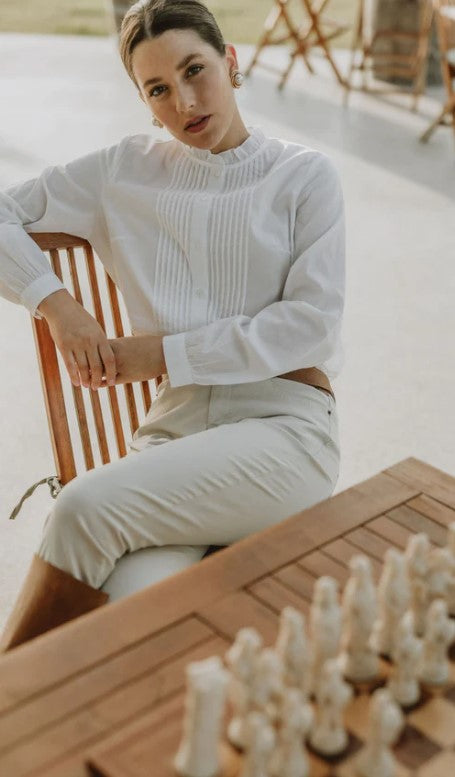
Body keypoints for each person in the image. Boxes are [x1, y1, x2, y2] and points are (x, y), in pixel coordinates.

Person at [0, 0, 345, 652]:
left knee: (81, 508)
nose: (184, 100)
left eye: (195, 70)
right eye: (158, 88)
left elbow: (307, 328)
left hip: (284, 434)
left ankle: (10, 711)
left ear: (231, 61)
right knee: (129, 615)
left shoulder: (302, 177)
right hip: (176, 440)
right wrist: (61, 307)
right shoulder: (121, 172)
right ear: (143, 100)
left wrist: (156, 354)